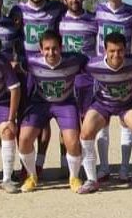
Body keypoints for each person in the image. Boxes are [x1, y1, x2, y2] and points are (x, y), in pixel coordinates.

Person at [78, 32, 132, 194]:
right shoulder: (92, 65)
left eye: (120, 50)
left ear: (126, 50)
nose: (116, 55)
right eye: (112, 51)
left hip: (127, 105)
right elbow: (75, 65)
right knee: (85, 133)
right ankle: (91, 180)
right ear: (105, 51)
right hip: (102, 104)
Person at [9, 0, 66, 179]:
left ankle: (40, 163)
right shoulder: (17, 10)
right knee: (25, 119)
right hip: (26, 72)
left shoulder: (57, 8)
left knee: (45, 121)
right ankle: (26, 166)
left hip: (51, 70)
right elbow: (11, 37)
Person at [18, 30, 87, 193]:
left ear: (61, 47)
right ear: (40, 50)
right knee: (24, 139)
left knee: (72, 142)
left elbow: (94, 66)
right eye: (47, 49)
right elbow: (14, 67)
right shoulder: (30, 61)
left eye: (55, 48)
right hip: (40, 103)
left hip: (65, 103)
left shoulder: (76, 60)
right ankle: (32, 176)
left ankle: (74, 176)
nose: (51, 52)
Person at [95, 0, 132, 183]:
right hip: (102, 71)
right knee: (102, 121)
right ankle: (103, 167)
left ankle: (124, 167)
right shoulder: (97, 11)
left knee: (125, 120)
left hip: (125, 71)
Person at [59, 0, 98, 177]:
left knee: (87, 121)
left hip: (88, 78)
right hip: (65, 77)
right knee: (66, 120)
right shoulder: (58, 20)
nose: (74, 0)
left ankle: (88, 164)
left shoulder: (93, 20)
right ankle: (65, 163)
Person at [0, 32, 21, 193]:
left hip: (0, 103)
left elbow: (15, 89)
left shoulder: (2, 62)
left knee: (9, 132)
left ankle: (7, 179)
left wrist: (11, 118)